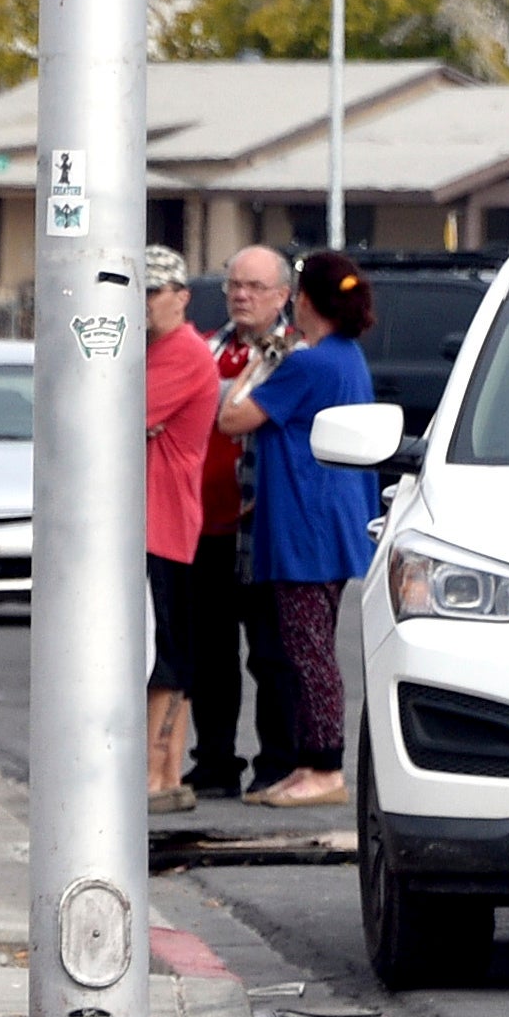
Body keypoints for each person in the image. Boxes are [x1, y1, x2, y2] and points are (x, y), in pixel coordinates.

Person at [217, 247, 377, 809]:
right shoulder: (346, 356)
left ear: (302, 299)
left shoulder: (307, 363)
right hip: (332, 517)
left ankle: (326, 767)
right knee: (306, 647)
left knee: (308, 653)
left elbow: (232, 416)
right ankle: (309, 761)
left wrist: (261, 365)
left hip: (304, 525)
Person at [190, 244, 300, 799]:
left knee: (272, 653)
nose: (241, 295)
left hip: (265, 530)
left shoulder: (292, 355)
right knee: (210, 654)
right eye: (235, 284)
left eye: (255, 286)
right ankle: (213, 762)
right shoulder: (205, 349)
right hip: (205, 525)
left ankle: (278, 762)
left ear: (283, 295)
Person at [139, 248, 220, 811]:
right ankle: (164, 776)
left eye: (151, 292)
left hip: (162, 522)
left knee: (163, 657)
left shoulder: (182, 353)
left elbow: (117, 411)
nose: (141, 304)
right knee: (168, 651)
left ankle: (155, 775)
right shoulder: (154, 351)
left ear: (181, 296)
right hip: (158, 522)